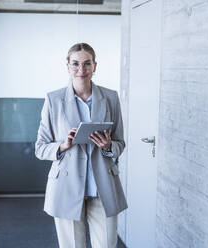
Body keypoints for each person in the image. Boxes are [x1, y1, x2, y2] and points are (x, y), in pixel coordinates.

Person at [35, 43, 127, 248]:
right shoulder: (53, 99)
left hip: (102, 186)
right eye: (75, 64)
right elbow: (40, 148)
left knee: (106, 245)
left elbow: (120, 142)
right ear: (67, 67)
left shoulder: (110, 97)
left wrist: (108, 146)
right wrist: (63, 145)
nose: (81, 70)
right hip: (67, 187)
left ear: (95, 66)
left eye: (87, 64)